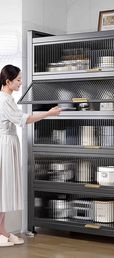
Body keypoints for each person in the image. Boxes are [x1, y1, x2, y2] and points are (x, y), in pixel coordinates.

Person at [0, 64, 61, 247]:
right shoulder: (4, 100)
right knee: (3, 188)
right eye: (18, 80)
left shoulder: (7, 98)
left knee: (6, 188)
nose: (21, 83)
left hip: (9, 143)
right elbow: (23, 119)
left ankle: (2, 230)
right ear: (8, 81)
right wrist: (48, 114)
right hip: (4, 144)